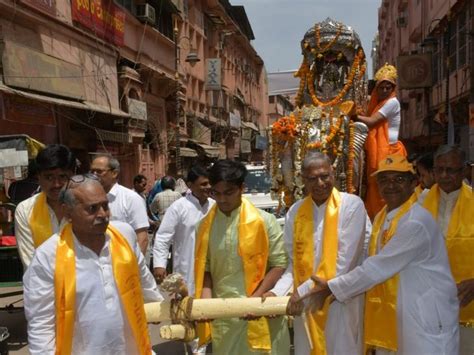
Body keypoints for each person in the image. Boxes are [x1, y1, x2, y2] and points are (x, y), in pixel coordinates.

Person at [295, 154, 459, 354]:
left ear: (413, 183)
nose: (391, 186)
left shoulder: (416, 222)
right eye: (384, 180)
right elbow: (368, 261)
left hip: (425, 320)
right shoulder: (383, 217)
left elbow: (376, 268)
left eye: (398, 179)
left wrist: (330, 287)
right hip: (396, 320)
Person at [23, 176, 162, 354]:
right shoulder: (47, 256)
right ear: (67, 213)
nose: (103, 215)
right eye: (92, 208)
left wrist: (158, 304)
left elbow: (143, 277)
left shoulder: (124, 235)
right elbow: (40, 323)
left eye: (105, 205)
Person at [270, 152, 368, 354]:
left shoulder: (352, 205)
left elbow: (343, 265)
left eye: (325, 176)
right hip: (304, 307)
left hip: (339, 300)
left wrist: (301, 293)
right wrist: (276, 292)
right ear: (303, 180)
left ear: (333, 173)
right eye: (312, 179)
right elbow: (293, 265)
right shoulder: (296, 212)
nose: (320, 183)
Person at [194, 159, 290, 354]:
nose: (221, 199)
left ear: (241, 188)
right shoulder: (204, 227)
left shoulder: (265, 221)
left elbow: (279, 265)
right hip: (225, 315)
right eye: (216, 193)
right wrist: (206, 304)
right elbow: (206, 269)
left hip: (261, 308)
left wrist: (254, 300)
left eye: (228, 192)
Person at [423, 145, 473, 355]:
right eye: (439, 169)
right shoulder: (418, 203)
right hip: (426, 303)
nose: (444, 176)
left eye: (451, 170)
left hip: (467, 304)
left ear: (464, 171)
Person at [355, 63, 407, 220]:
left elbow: (371, 122)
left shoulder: (392, 102)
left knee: (386, 188)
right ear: (376, 88)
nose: (385, 90)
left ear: (393, 89)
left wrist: (351, 115)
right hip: (380, 152)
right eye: (381, 87)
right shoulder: (377, 104)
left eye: (388, 87)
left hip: (390, 152)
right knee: (375, 188)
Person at [153, 164, 213, 295]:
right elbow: (163, 237)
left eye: (210, 183)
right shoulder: (178, 207)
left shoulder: (215, 207)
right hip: (187, 267)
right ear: (190, 185)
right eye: (203, 184)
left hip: (213, 268)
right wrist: (159, 264)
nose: (208, 187)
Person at [15, 144, 77, 268]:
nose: (56, 184)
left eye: (62, 177)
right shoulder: (26, 210)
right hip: (42, 284)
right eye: (49, 177)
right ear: (38, 177)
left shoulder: (87, 207)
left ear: (73, 175)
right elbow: (31, 263)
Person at [90, 154, 149, 254]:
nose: (94, 175)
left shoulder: (131, 198)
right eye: (92, 171)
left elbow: (142, 238)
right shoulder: (88, 198)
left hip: (122, 263)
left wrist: (134, 266)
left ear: (114, 173)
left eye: (99, 171)